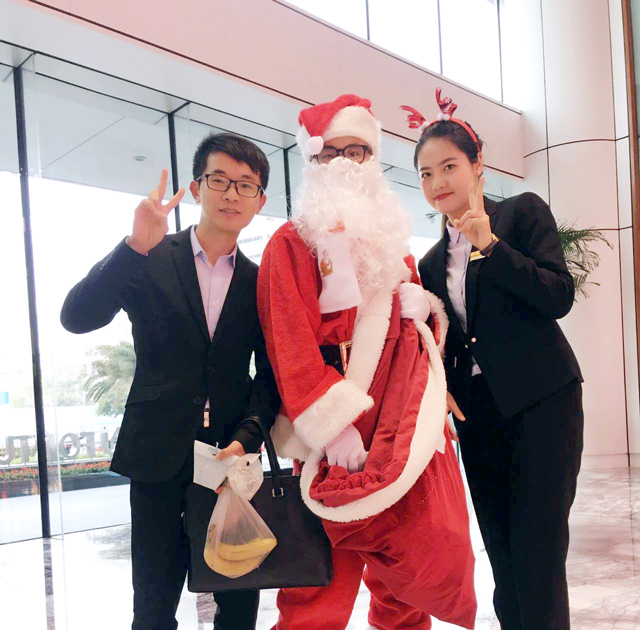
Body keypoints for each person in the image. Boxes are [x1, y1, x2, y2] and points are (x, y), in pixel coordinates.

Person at [258, 94, 477, 630]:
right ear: (312, 162)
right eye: (330, 154)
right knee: (317, 591)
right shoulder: (290, 244)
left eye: (355, 152)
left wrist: (427, 311)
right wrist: (332, 428)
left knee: (404, 586)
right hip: (328, 438)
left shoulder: (394, 246)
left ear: (372, 159)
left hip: (396, 431)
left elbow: (420, 345)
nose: (344, 165)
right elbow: (289, 344)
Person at [60, 132, 280, 630]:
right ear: (197, 188)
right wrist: (134, 246)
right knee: (154, 607)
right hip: (156, 453)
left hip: (229, 458)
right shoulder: (151, 255)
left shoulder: (260, 281)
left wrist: (248, 436)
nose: (231, 194)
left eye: (246, 185)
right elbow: (76, 317)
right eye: (219, 179)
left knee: (238, 604)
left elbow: (269, 373)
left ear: (260, 200)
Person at [404, 89, 584, 630]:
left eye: (449, 166)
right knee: (502, 555)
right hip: (479, 417)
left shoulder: (521, 213)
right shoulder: (430, 262)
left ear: (477, 164)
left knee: (539, 554)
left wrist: (493, 246)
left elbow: (558, 296)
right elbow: (447, 340)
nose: (438, 182)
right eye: (426, 173)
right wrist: (441, 386)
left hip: (543, 404)